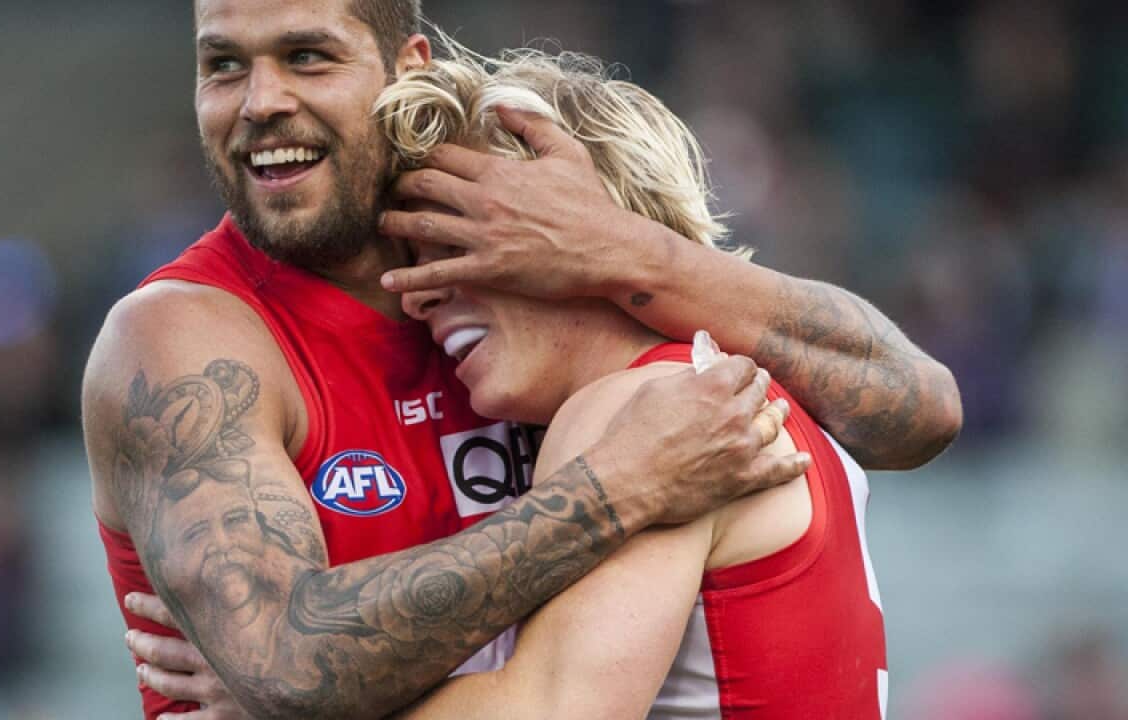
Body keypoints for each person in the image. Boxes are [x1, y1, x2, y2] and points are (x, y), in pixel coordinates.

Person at [85, 0, 960, 718]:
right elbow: (284, 665)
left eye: (308, 55)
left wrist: (633, 252)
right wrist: (617, 489)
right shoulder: (180, 341)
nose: (259, 101)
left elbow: (923, 408)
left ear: (405, 67)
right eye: (222, 65)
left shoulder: (641, 395)